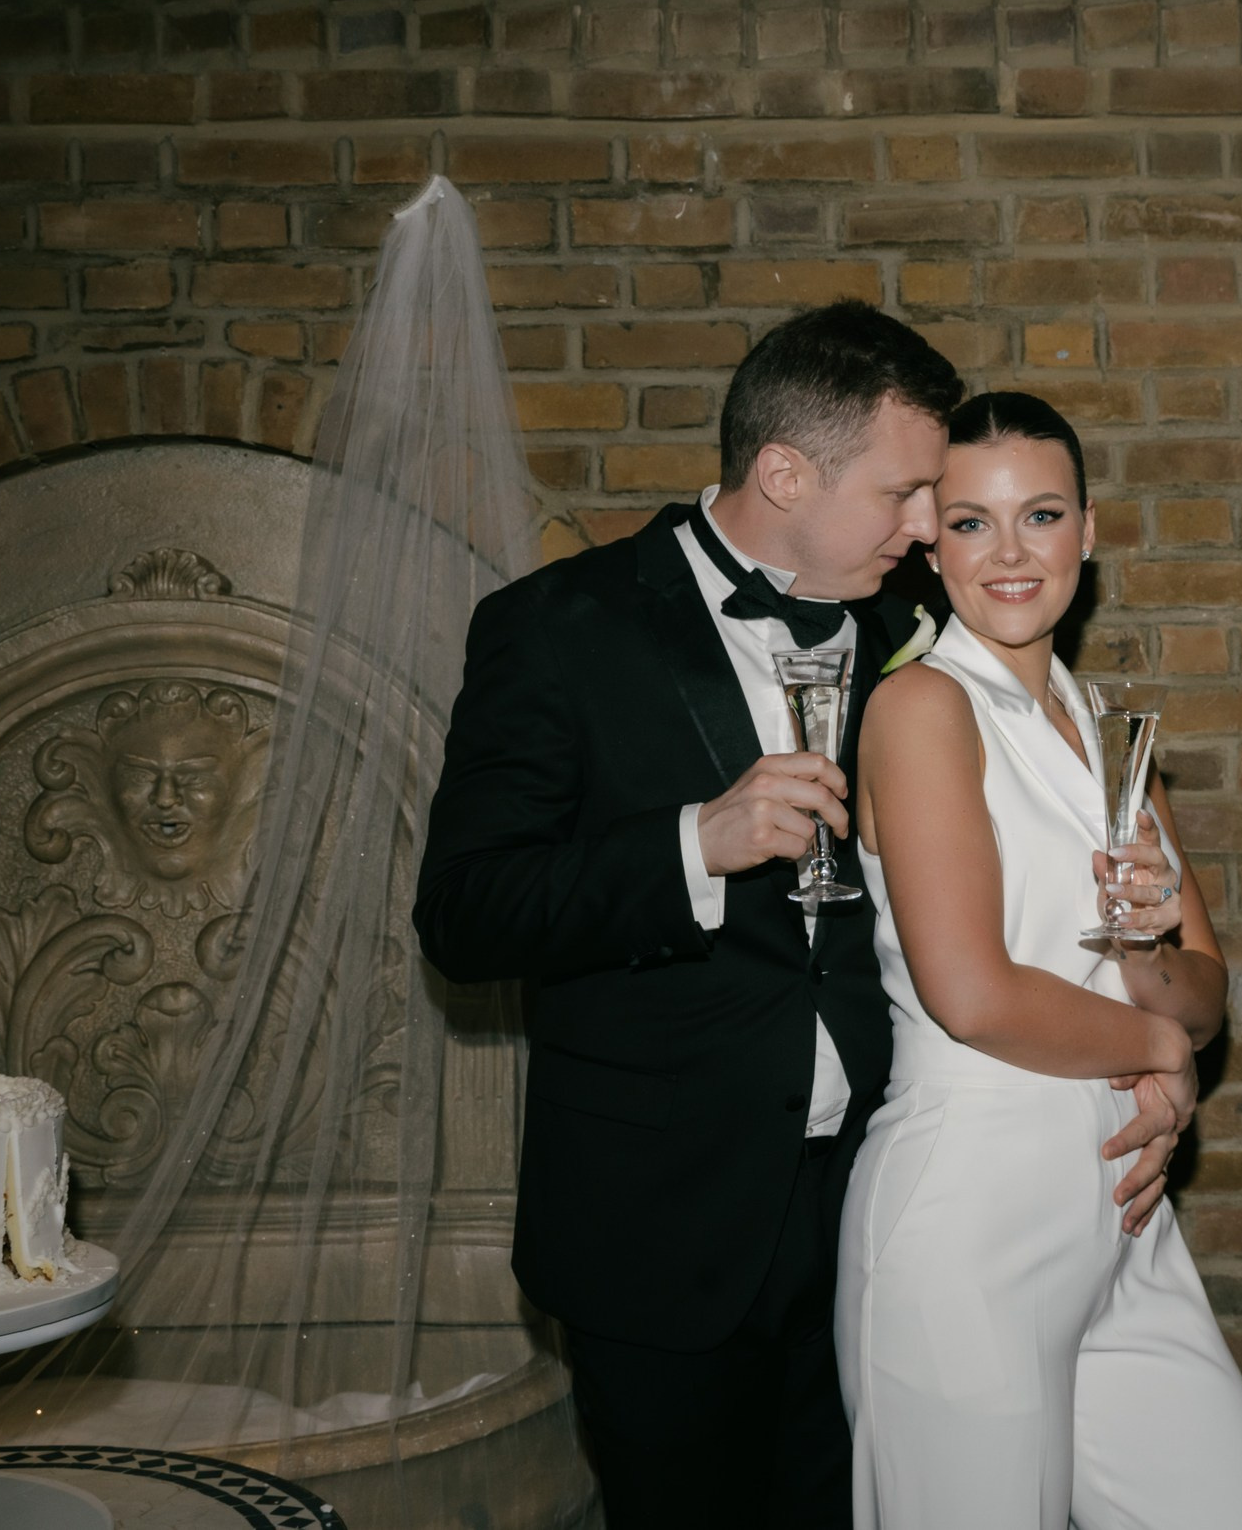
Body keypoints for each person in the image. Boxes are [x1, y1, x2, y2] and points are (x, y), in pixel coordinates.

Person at [418, 305, 1180, 1528]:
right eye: (906, 492)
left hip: (882, 1211)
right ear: (784, 473)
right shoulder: (560, 630)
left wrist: (1145, 1030)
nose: (930, 526)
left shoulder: (908, 627)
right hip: (663, 1225)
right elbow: (464, 912)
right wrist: (691, 847)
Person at [835, 391, 1242, 1527]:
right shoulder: (922, 706)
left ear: (1086, 533)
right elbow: (972, 993)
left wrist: (1144, 953)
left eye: (1038, 516)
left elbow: (1202, 996)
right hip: (967, 1221)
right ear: (929, 543)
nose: (1009, 553)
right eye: (971, 522)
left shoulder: (1100, 722)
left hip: (1124, 1221)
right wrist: (1152, 1049)